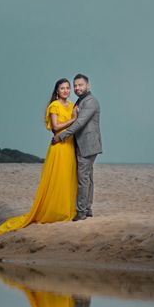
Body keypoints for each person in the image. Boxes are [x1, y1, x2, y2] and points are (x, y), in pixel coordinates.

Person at [0, 79, 78, 235]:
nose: (66, 91)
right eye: (62, 88)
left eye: (68, 88)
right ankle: (52, 212)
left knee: (67, 179)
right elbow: (55, 128)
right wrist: (73, 119)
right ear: (57, 91)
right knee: (56, 178)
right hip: (59, 146)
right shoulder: (54, 106)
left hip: (70, 146)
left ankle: (66, 211)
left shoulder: (73, 105)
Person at [52, 74, 101, 221]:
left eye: (80, 85)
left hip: (88, 144)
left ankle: (81, 213)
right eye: (76, 86)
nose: (77, 88)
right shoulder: (81, 100)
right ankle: (87, 209)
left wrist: (61, 136)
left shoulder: (91, 101)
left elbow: (79, 123)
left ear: (88, 86)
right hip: (83, 143)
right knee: (87, 178)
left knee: (83, 179)